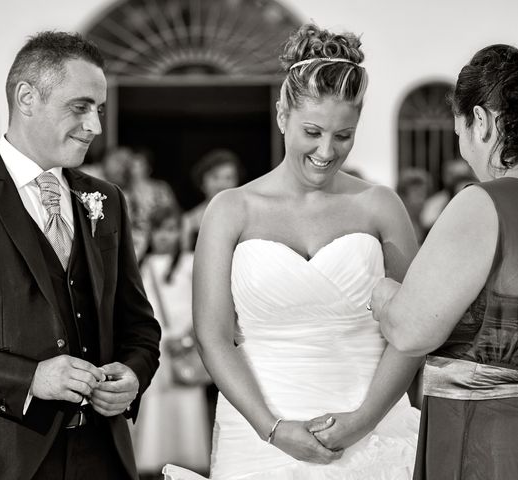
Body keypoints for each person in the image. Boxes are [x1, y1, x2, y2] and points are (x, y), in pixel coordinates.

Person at [164, 24, 421, 480]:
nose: (327, 151)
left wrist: (363, 420)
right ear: (282, 113)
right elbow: (213, 336)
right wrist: (272, 428)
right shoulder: (230, 210)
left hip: (373, 428)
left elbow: (413, 329)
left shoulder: (380, 206)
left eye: (344, 135)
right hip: (260, 434)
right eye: (313, 131)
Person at [0, 32, 161, 480]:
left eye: (99, 109)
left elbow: (139, 325)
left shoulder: (106, 199)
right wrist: (28, 379)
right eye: (80, 106)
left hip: (102, 458)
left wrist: (132, 376)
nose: (95, 125)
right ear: (27, 97)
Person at [370, 44, 518, 479]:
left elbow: (410, 330)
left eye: (459, 131)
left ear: (482, 122)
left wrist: (383, 297)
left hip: (502, 446)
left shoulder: (486, 204)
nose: (463, 149)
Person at [129, 205, 210, 479]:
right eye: (160, 230)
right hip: (153, 346)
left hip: (183, 343)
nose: (165, 236)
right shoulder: (141, 264)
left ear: (179, 232)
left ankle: (188, 464)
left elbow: (204, 303)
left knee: (186, 400)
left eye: (171, 230)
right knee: (153, 405)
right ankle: (153, 463)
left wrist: (188, 338)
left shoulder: (190, 262)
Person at [181, 148, 243, 251]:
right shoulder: (189, 221)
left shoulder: (245, 217)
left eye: (228, 178)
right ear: (202, 181)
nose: (221, 184)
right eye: (215, 177)